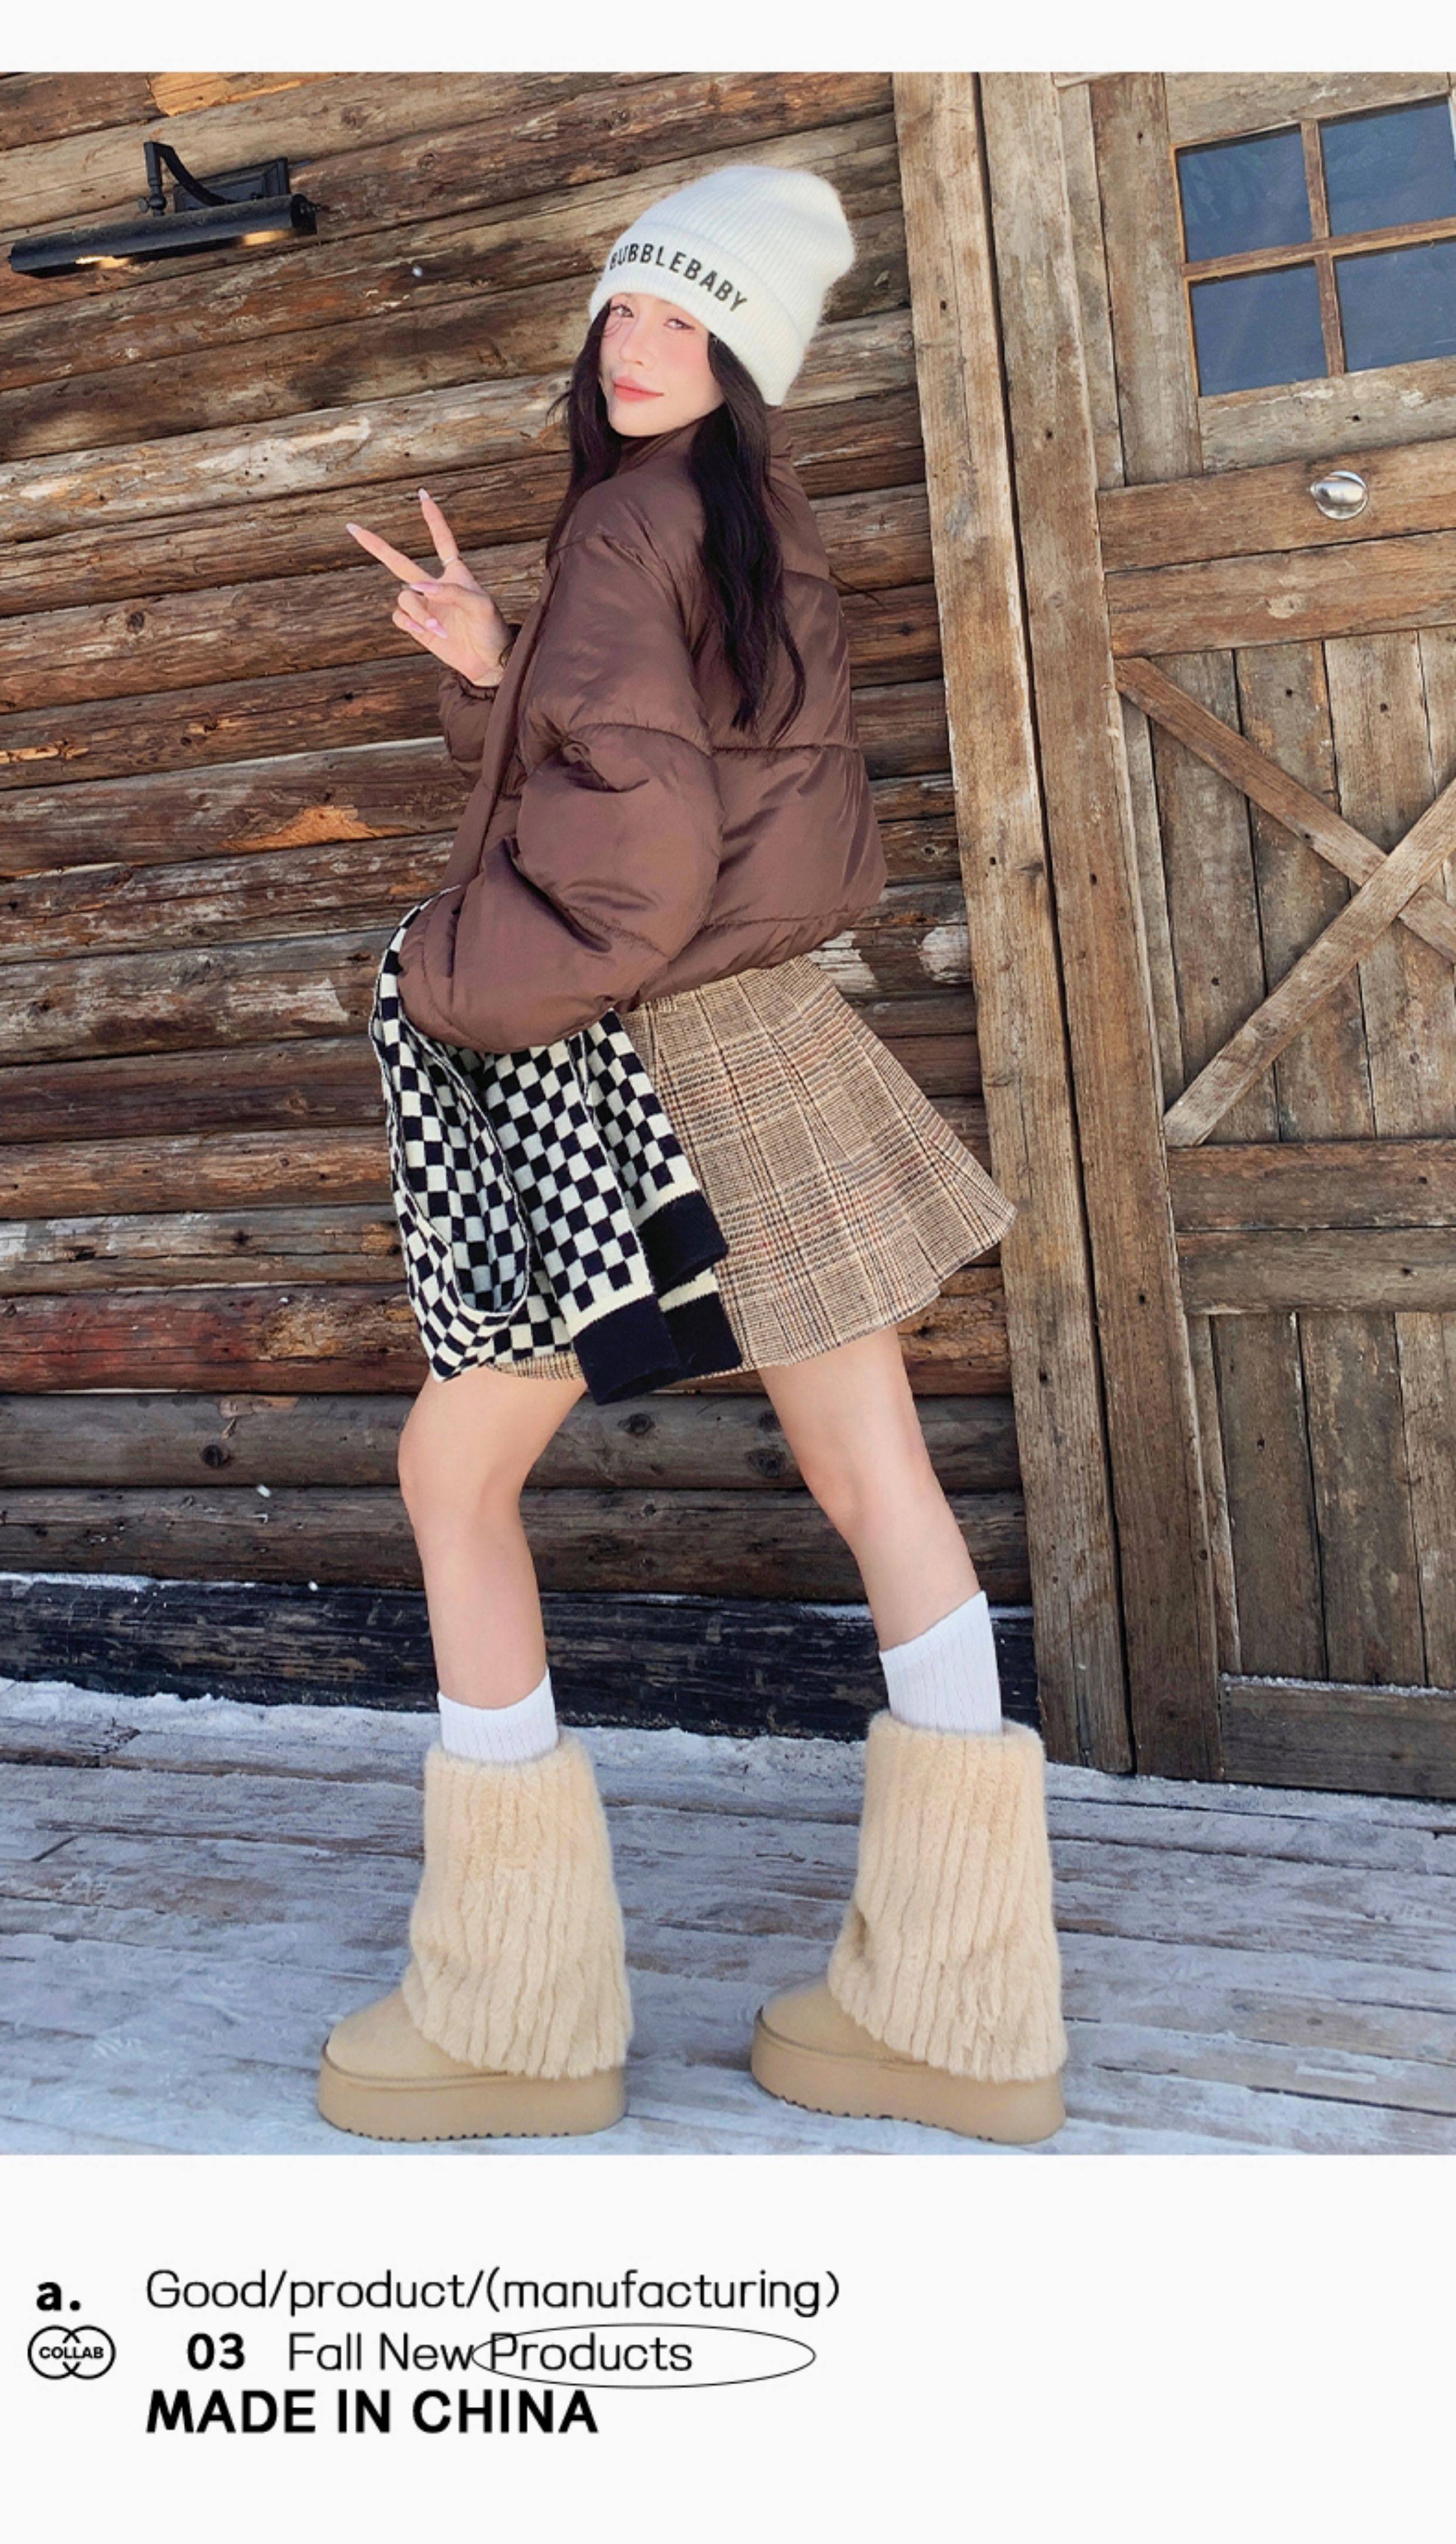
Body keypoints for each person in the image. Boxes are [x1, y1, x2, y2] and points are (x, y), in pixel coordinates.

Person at [316, 164, 1067, 2147]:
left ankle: (514, 2016)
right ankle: (963, 2009)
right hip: (775, 1040)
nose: (641, 344)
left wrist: (445, 973)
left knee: (450, 1474)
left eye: (688, 316)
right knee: (877, 1479)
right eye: (629, 306)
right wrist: (504, 673)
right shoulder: (748, 517)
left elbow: (631, 872)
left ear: (748, 349)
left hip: (649, 1078)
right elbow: (683, 784)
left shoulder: (624, 522)